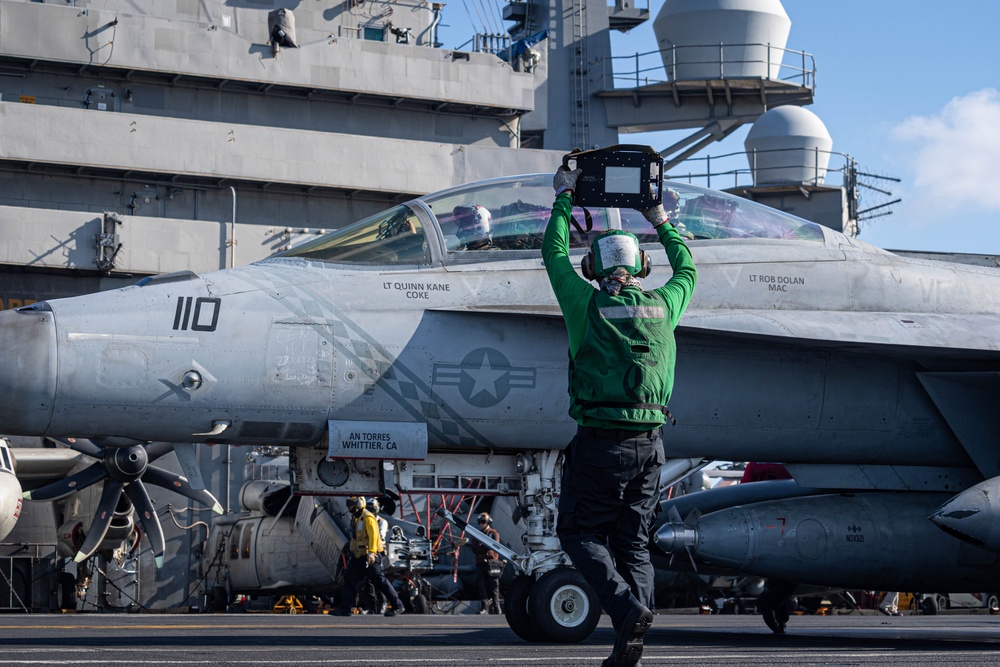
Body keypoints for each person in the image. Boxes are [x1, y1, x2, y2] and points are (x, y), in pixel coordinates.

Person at [543, 166, 698, 667]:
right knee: (633, 543)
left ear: (593, 267)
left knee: (579, 534)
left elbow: (552, 254)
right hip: (651, 446)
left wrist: (565, 198)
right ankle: (630, 641)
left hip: (600, 442)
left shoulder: (584, 303)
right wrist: (660, 219)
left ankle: (626, 610)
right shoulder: (665, 304)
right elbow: (689, 271)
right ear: (642, 265)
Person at [334, 496, 406, 617]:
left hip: (369, 555)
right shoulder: (356, 518)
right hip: (358, 556)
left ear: (357, 504)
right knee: (350, 578)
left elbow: (374, 536)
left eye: (350, 504)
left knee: (380, 581)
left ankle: (397, 605)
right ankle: (345, 608)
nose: (348, 507)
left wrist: (372, 552)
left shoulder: (368, 518)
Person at [469, 512, 502, 614]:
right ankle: (484, 608)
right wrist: (485, 548)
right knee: (482, 585)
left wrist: (482, 546)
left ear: (488, 522)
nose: (481, 524)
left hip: (492, 563)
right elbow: (474, 548)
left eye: (483, 522)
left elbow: (494, 545)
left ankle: (497, 607)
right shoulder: (477, 534)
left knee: (494, 586)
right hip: (480, 563)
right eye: (480, 522)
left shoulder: (494, 533)